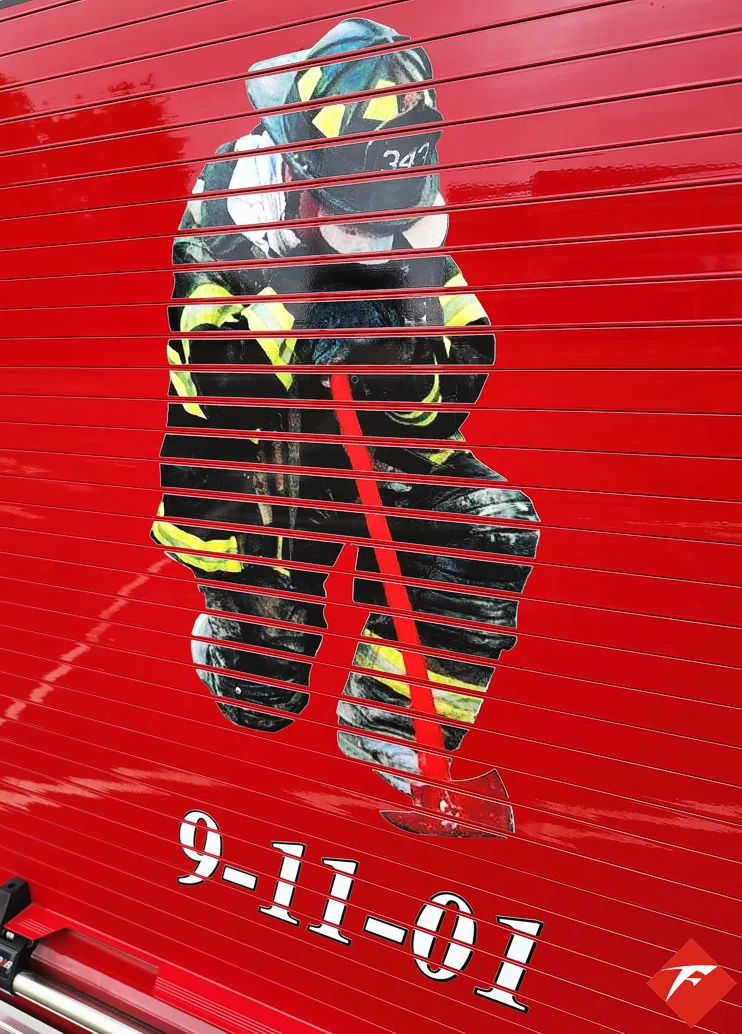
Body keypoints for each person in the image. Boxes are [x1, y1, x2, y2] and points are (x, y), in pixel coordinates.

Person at [151, 17, 540, 836]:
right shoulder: (229, 219)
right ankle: (239, 636)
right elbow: (211, 390)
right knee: (263, 702)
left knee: (492, 528)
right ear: (298, 172)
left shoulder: (406, 214)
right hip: (259, 479)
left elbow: (468, 348)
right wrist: (295, 324)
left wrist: (400, 360)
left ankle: (391, 727)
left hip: (382, 457)